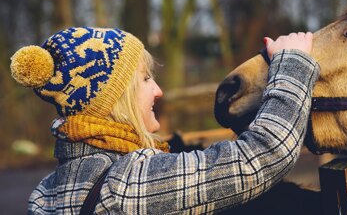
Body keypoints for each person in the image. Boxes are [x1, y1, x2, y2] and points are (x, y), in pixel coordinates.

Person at [10, 27, 319, 214]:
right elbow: (261, 158)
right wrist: (293, 62)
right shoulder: (126, 186)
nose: (158, 90)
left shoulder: (45, 194)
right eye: (145, 79)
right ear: (116, 99)